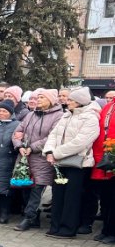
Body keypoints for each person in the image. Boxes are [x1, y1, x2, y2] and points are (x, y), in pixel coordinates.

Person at [43, 86, 101, 238]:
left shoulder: (90, 118)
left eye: (70, 100)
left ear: (79, 102)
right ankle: (55, 226)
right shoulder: (66, 115)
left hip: (78, 164)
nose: (67, 102)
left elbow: (81, 142)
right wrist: (49, 151)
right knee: (58, 194)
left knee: (72, 197)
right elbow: (53, 135)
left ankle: (68, 229)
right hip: (59, 162)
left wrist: (56, 153)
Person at [12, 88, 63, 231]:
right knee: (25, 188)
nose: (38, 100)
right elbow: (18, 131)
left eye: (42, 97)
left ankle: (28, 218)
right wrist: (19, 145)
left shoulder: (59, 116)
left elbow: (52, 136)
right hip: (25, 158)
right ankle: (34, 218)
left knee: (37, 189)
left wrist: (33, 147)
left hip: (42, 159)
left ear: (51, 100)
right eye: (37, 97)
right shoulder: (31, 114)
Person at [90, 92, 115, 243]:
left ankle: (112, 232)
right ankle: (106, 229)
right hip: (105, 159)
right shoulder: (108, 106)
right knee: (106, 198)